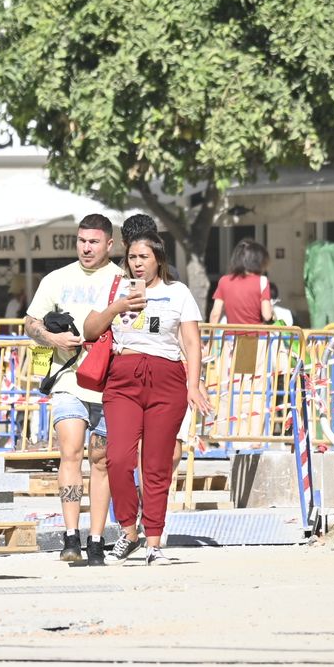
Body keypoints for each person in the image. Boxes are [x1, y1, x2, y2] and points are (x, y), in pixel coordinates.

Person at [85, 219, 211, 564]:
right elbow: (90, 329)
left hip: (166, 378)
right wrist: (117, 307)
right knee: (117, 458)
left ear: (158, 259)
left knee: (156, 465)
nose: (137, 263)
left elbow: (192, 343)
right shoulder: (114, 288)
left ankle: (154, 542)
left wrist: (193, 384)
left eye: (144, 257)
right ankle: (129, 532)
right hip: (123, 377)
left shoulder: (178, 292)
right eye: (132, 257)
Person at [25, 215, 123, 564]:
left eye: (94, 242)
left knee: (101, 461)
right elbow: (30, 322)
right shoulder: (57, 278)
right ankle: (70, 537)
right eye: (82, 241)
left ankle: (96, 539)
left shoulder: (122, 280)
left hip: (110, 383)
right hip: (68, 380)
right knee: (70, 451)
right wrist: (52, 338)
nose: (86, 248)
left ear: (109, 244)